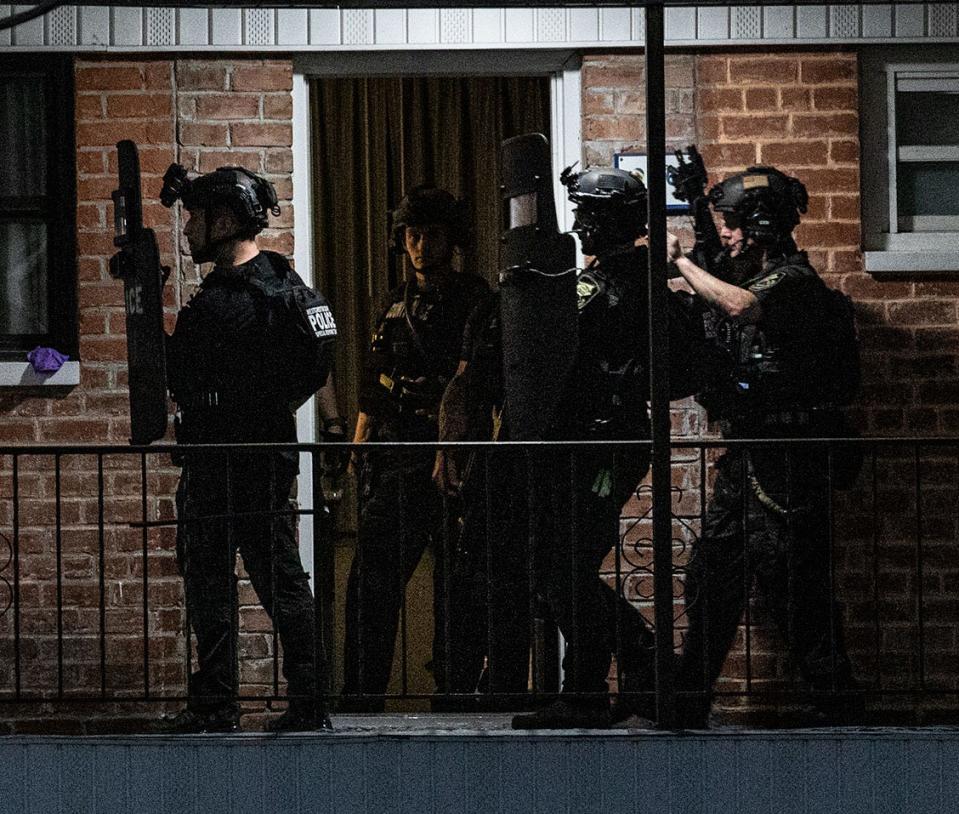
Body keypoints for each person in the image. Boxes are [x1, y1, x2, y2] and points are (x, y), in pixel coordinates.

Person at [667, 165, 858, 726]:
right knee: (713, 575)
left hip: (790, 459)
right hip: (751, 455)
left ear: (762, 226)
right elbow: (721, 275)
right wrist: (699, 219)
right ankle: (685, 701)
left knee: (795, 589)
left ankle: (839, 705)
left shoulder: (792, 281)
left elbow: (740, 305)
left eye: (732, 225)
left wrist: (679, 262)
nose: (725, 236)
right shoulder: (754, 270)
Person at [158, 164, 344, 733]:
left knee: (269, 579)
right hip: (233, 455)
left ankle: (285, 702)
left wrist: (255, 403)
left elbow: (316, 357)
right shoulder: (274, 287)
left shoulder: (256, 295)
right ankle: (229, 701)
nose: (188, 230)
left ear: (226, 219)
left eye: (194, 217)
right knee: (221, 579)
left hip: (244, 459)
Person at [341, 185, 489, 710]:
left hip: (453, 461)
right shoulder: (393, 302)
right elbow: (372, 382)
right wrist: (356, 451)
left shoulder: (475, 299)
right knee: (372, 584)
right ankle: (361, 693)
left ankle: (454, 691)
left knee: (459, 588)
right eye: (411, 235)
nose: (420, 245)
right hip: (397, 457)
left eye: (430, 234)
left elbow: (476, 386)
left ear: (451, 239)